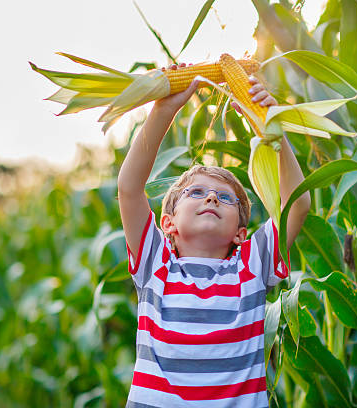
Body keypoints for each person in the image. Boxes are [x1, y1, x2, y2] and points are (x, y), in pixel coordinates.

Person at [117, 63, 311, 407]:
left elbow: (297, 204)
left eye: (225, 198)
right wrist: (164, 109)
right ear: (169, 224)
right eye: (196, 193)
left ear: (240, 233)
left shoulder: (250, 266)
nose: (211, 198)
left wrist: (274, 132)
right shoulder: (155, 263)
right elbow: (130, 189)